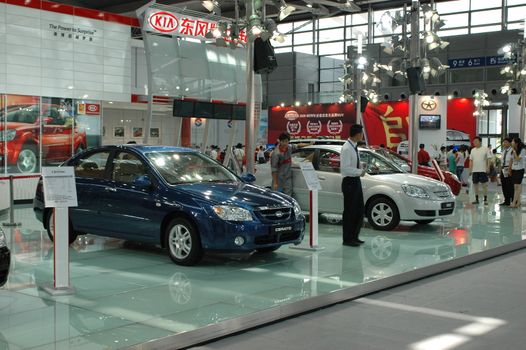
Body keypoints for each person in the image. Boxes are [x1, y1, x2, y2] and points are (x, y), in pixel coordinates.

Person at [341, 124, 366, 247]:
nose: (362, 135)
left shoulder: (354, 147)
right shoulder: (346, 148)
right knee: (350, 211)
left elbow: (355, 164)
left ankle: (355, 236)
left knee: (359, 210)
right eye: (361, 133)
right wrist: (359, 172)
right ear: (357, 134)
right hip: (349, 182)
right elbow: (345, 169)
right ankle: (347, 238)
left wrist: (362, 167)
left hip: (356, 181)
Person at [469, 136, 490, 205]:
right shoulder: (473, 150)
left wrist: (488, 167)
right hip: (475, 170)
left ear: (480, 141)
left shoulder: (485, 149)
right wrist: (470, 169)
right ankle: (476, 199)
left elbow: (488, 159)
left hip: (482, 170)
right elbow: (471, 161)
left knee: (484, 185)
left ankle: (486, 199)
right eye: (474, 141)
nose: (474, 143)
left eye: (476, 141)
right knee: (475, 185)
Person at [510, 137, 525, 208]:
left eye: (512, 141)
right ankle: (518, 202)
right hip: (514, 169)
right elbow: (512, 160)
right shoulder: (512, 150)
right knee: (516, 187)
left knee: (517, 186)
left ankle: (514, 202)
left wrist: (514, 152)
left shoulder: (522, 150)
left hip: (520, 170)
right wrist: (510, 169)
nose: (511, 142)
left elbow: (518, 159)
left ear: (516, 143)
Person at [500, 138, 513, 206]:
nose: (504, 143)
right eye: (503, 142)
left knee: (509, 185)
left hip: (509, 168)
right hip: (503, 169)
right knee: (504, 185)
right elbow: (502, 161)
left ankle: (513, 200)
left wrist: (510, 169)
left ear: (510, 143)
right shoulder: (504, 151)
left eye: (506, 142)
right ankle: (506, 200)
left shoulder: (512, 150)